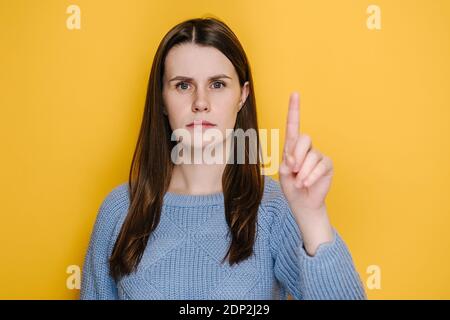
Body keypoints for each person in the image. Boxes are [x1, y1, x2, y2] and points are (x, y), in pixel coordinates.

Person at [80, 17, 366, 300]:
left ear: (242, 95)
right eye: (183, 85)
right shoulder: (119, 210)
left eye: (217, 84)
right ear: (162, 99)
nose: (200, 102)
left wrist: (313, 217)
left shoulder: (274, 209)